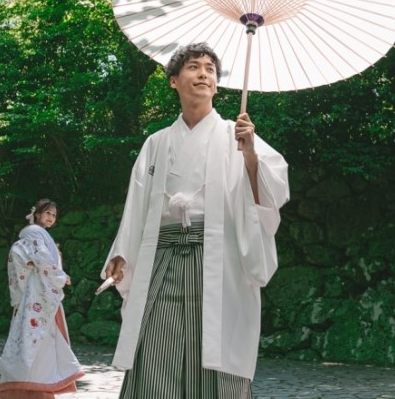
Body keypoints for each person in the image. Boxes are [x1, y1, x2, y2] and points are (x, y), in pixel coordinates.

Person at [102, 43, 290, 398]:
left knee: (217, 357)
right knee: (153, 352)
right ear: (174, 80)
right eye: (193, 67)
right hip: (164, 259)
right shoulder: (155, 143)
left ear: (217, 85)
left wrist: (250, 155)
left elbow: (271, 193)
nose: (203, 74)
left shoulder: (237, 136)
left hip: (219, 261)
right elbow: (137, 206)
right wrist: (123, 252)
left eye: (210, 69)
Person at [0, 199, 84, 399]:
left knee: (35, 340)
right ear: (37, 213)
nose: (51, 218)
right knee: (41, 339)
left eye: (54, 215)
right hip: (38, 294)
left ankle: (34, 387)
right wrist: (61, 277)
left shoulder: (37, 235)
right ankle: (38, 388)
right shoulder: (36, 235)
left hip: (37, 293)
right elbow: (42, 259)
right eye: (47, 213)